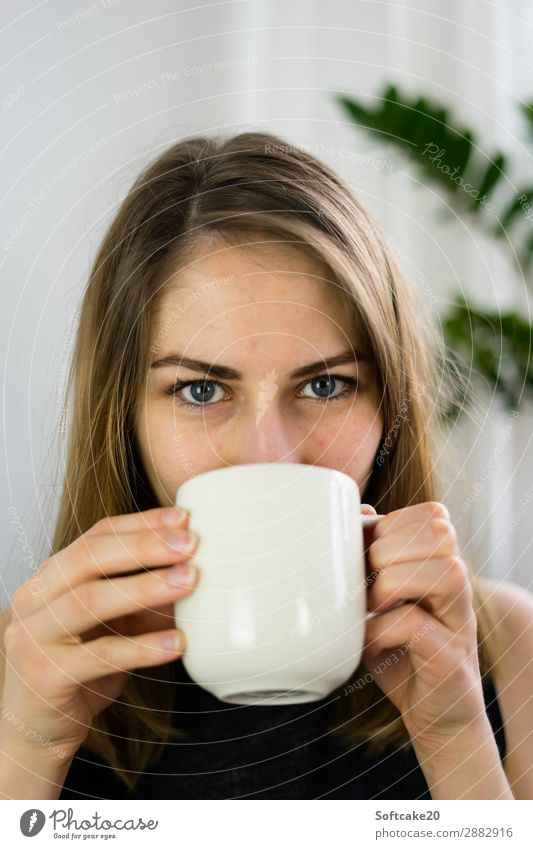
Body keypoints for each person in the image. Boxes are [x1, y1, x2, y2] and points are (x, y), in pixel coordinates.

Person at [1, 131, 532, 800]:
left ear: (388, 403)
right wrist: (25, 749)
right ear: (125, 414)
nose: (267, 453)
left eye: (324, 385)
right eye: (200, 389)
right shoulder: (20, 663)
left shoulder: (511, 650)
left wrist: (455, 735)